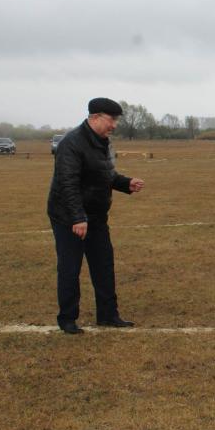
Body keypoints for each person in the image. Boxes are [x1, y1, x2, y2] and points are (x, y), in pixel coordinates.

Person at [47, 98, 145, 335]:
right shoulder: (71, 144)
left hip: (97, 216)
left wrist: (125, 183)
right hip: (68, 217)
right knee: (70, 268)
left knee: (104, 264)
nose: (114, 125)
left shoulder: (104, 143)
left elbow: (106, 174)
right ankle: (68, 319)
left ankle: (108, 315)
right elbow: (67, 183)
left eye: (116, 120)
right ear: (94, 117)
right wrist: (78, 218)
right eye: (111, 120)